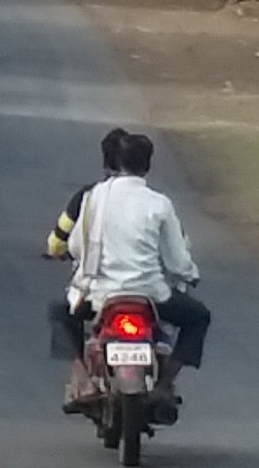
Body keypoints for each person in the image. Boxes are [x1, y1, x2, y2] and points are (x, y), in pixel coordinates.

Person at [55, 127, 209, 406]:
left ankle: (82, 379)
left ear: (115, 161)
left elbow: (77, 246)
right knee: (198, 317)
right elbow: (176, 258)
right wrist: (189, 274)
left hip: (98, 294)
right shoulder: (159, 204)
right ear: (147, 165)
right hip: (151, 295)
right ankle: (165, 384)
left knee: (60, 313)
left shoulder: (93, 198)